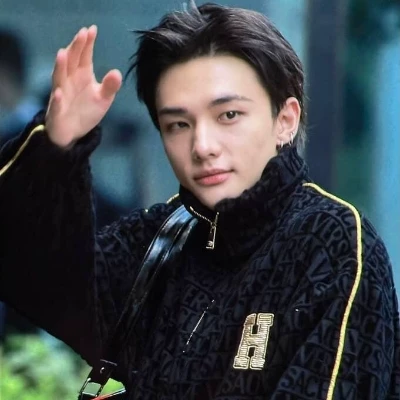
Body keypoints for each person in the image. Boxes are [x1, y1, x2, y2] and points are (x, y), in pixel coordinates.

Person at [0, 2, 399, 399]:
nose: (202, 146)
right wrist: (58, 148)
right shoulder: (161, 240)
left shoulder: (331, 241)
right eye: (178, 124)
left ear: (285, 120)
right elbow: (36, 280)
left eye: (228, 115)